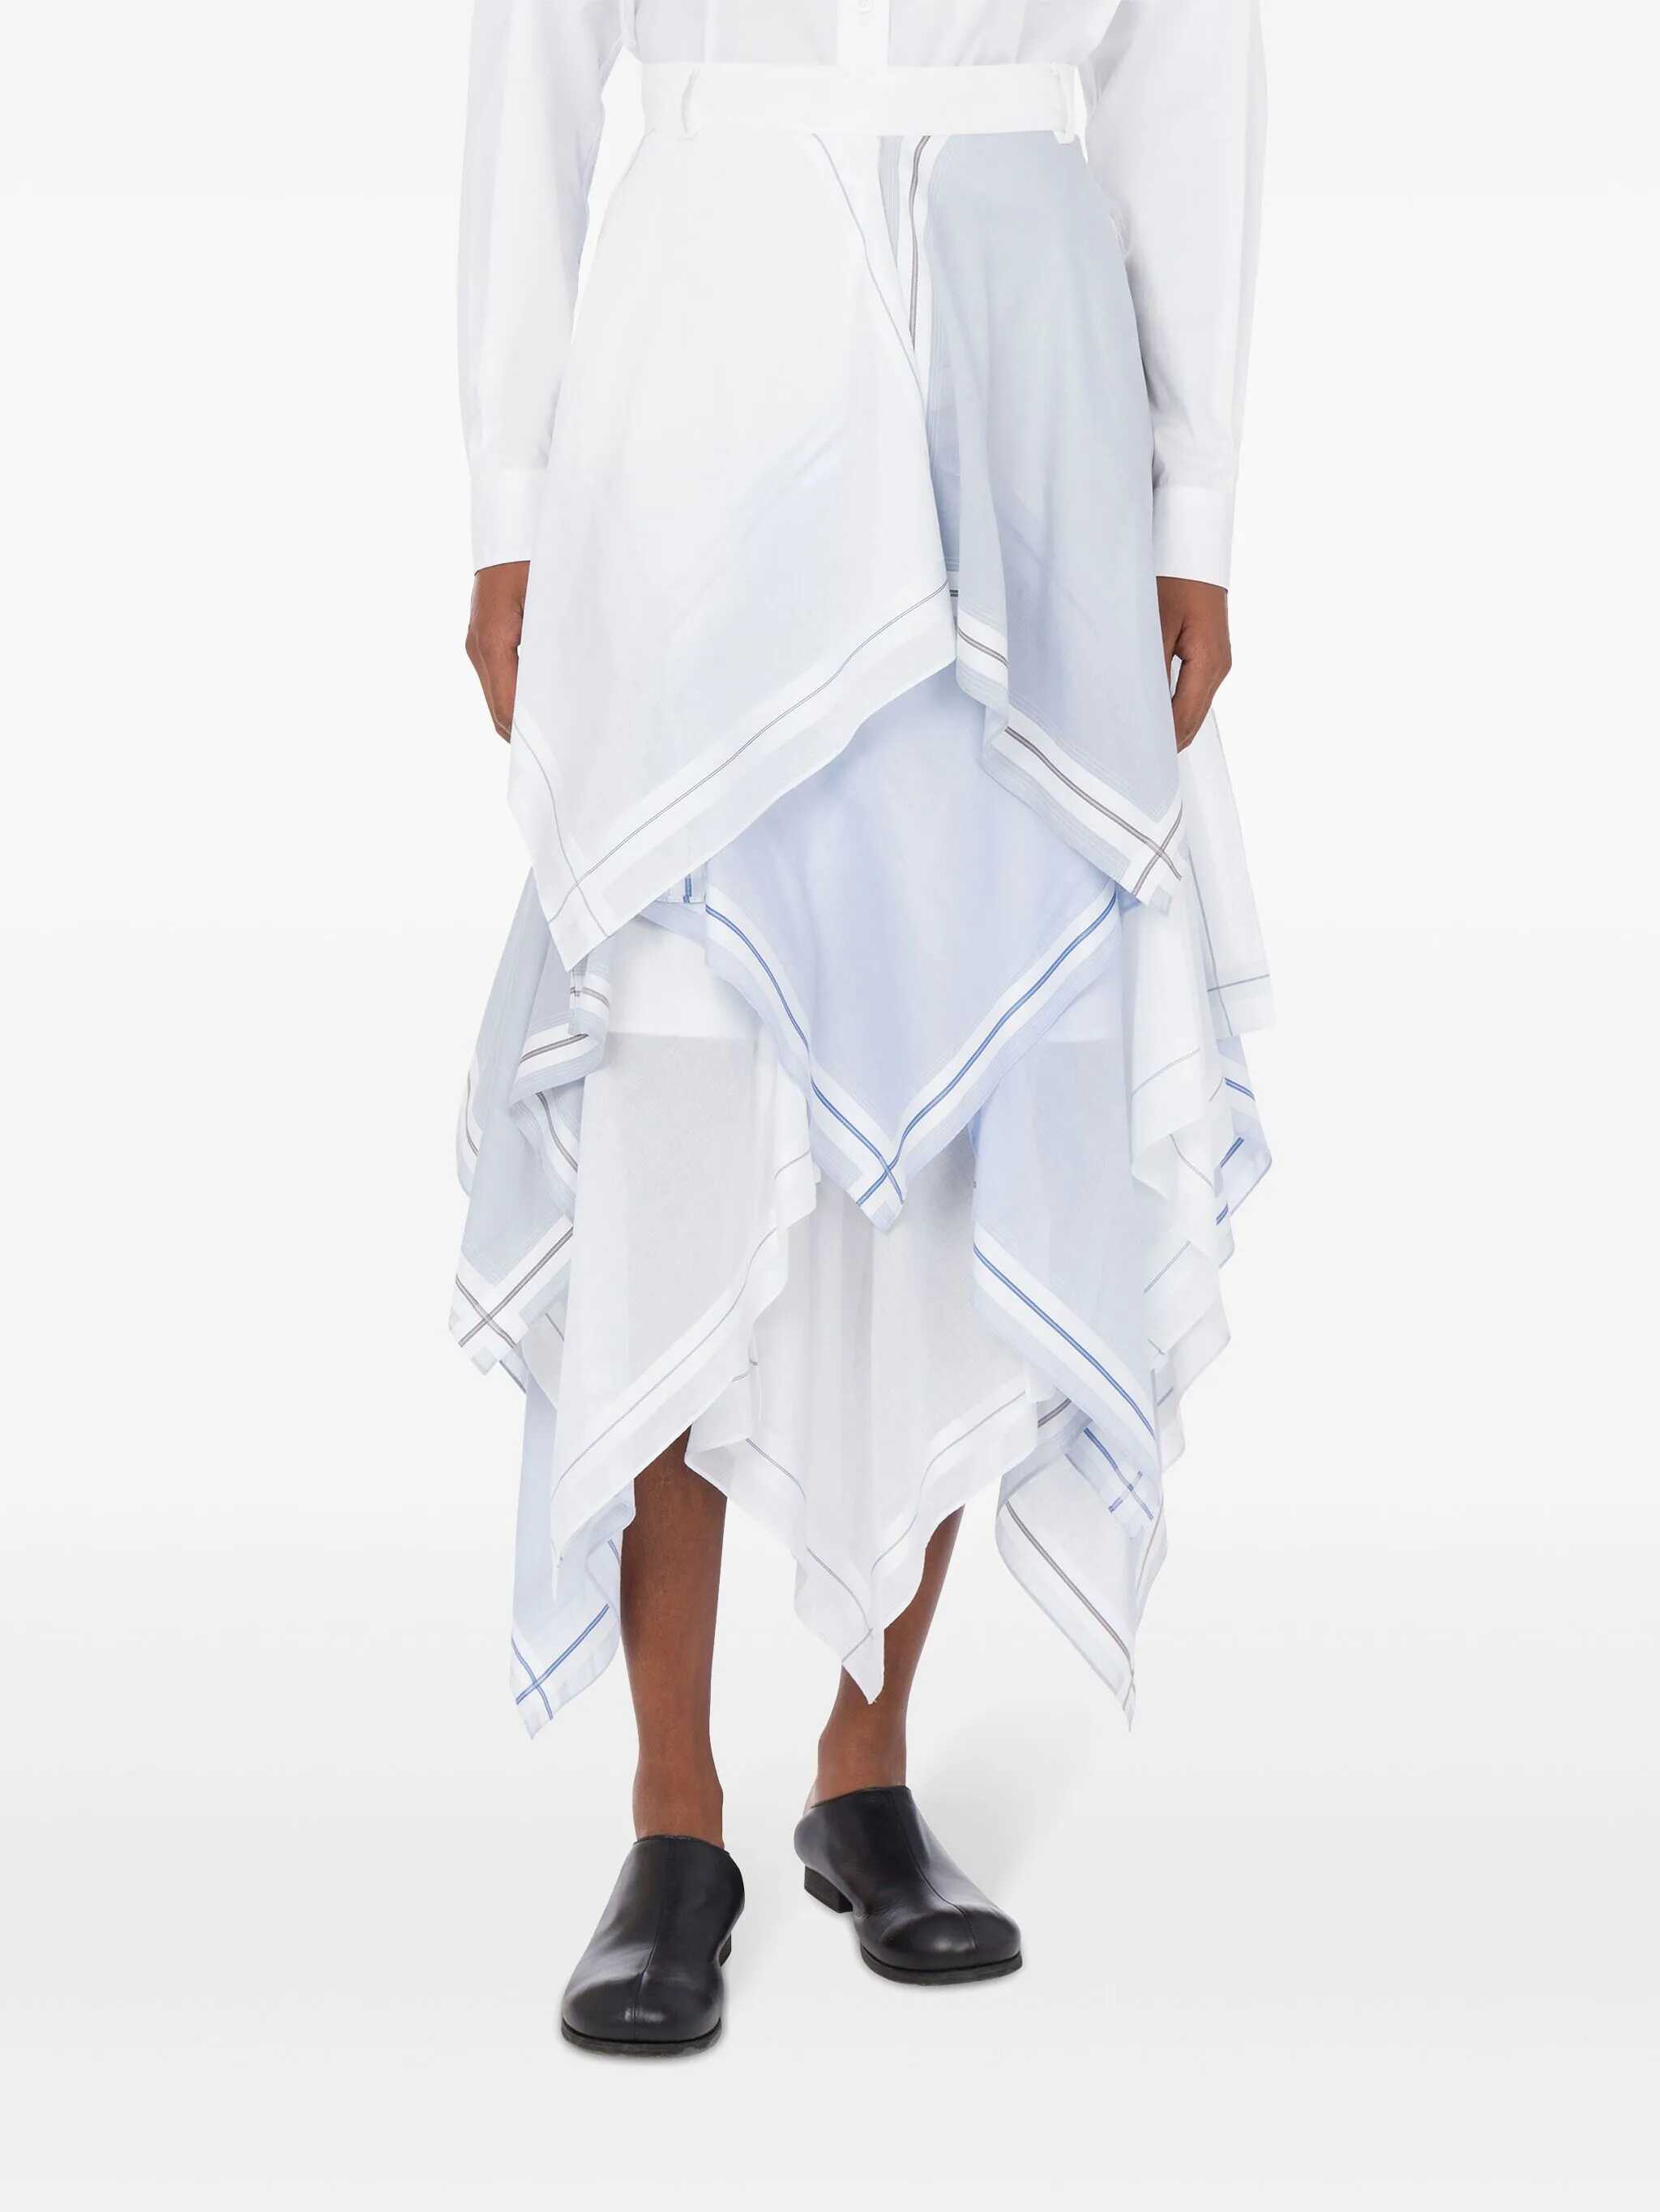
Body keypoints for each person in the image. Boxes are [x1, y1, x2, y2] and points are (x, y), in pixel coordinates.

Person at [452, 0, 1272, 2056]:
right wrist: (508, 495)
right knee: (678, 1070)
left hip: (1015, 391)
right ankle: (671, 1814)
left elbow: (1187, 61)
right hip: (698, 383)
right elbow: (533, 67)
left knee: (967, 1079)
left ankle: (865, 1765)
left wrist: (1191, 505)